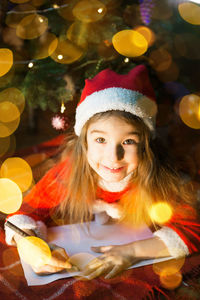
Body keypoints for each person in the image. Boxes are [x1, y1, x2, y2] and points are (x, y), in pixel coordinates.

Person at [4, 65, 200, 279]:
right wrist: (32, 249)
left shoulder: (160, 179)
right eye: (100, 140)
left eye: (128, 141)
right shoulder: (67, 174)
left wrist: (132, 251)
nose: (113, 157)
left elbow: (192, 229)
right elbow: (23, 215)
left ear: (145, 145)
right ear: (84, 143)